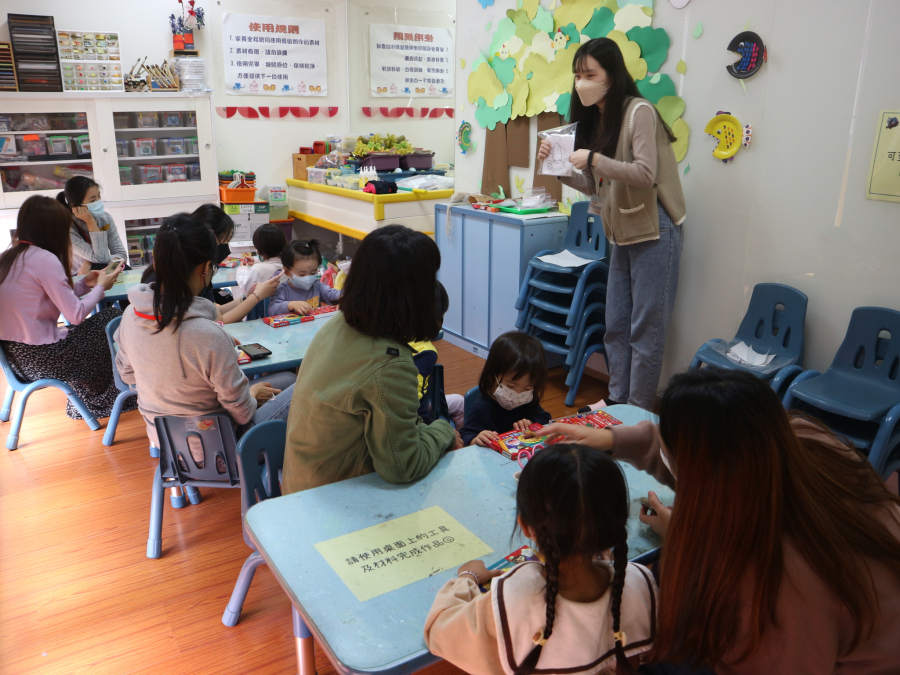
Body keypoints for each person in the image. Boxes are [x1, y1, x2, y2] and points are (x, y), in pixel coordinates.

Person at [540, 368, 900, 674]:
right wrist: (608, 439)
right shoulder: (801, 437)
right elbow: (704, 445)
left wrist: (683, 538)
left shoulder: (776, 586)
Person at [538, 38, 686, 411]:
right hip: (620, 230)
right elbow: (596, 185)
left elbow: (644, 173)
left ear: (612, 75)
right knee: (616, 323)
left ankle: (635, 410)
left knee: (646, 330)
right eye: (577, 75)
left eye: (589, 74)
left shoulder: (639, 112)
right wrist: (560, 169)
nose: (581, 83)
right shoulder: (601, 119)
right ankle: (618, 399)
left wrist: (593, 158)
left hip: (656, 228)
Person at [424, 443, 658, 675]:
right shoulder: (641, 582)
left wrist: (468, 576)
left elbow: (438, 632)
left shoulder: (515, 596)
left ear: (525, 526)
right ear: (617, 524)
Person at [282, 225, 462, 494]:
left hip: (302, 484)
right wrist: (443, 431)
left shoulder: (340, 323)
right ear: (413, 293)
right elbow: (403, 467)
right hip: (334, 501)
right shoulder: (389, 362)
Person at [114, 213, 296, 449]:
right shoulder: (207, 334)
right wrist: (250, 395)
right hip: (218, 450)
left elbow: (128, 377)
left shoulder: (130, 316)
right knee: (300, 387)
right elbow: (241, 414)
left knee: (287, 379)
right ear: (206, 268)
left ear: (157, 263)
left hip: (164, 440)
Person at [0, 195, 129, 420]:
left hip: (16, 360)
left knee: (95, 328)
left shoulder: (6, 258)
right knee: (113, 317)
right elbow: (76, 315)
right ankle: (102, 399)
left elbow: (44, 297)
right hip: (47, 359)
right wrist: (100, 287)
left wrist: (84, 284)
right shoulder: (45, 259)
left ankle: (93, 396)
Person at [142, 204, 280, 324]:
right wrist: (256, 297)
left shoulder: (184, 273)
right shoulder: (186, 280)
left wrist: (247, 297)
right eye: (223, 242)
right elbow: (218, 321)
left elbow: (213, 311)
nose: (225, 249)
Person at [458, 331, 551, 448]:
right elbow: (465, 435)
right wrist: (477, 438)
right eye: (511, 386)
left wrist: (532, 422)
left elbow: (546, 418)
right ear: (492, 376)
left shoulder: (528, 400)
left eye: (528, 388)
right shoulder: (481, 408)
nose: (518, 394)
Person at [411, 281, 464, 427]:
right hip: (412, 418)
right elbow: (413, 404)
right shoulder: (425, 352)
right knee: (460, 403)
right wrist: (433, 429)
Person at [56, 176, 129, 274]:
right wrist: (90, 221)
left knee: (126, 269)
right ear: (76, 206)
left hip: (104, 270)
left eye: (99, 196)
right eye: (92, 200)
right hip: (77, 277)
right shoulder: (66, 228)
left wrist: (89, 262)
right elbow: (101, 258)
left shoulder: (105, 218)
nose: (99, 201)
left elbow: (122, 255)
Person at [269, 239, 342, 317]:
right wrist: (290, 305)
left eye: (313, 273)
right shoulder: (283, 290)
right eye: (302, 274)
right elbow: (272, 309)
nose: (308, 278)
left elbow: (336, 294)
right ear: (287, 272)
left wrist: (344, 299)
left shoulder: (317, 286)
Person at [235, 223, 287, 298]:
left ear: (259, 251)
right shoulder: (289, 264)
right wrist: (257, 261)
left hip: (261, 307)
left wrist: (242, 269)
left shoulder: (257, 269)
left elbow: (245, 286)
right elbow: (273, 264)